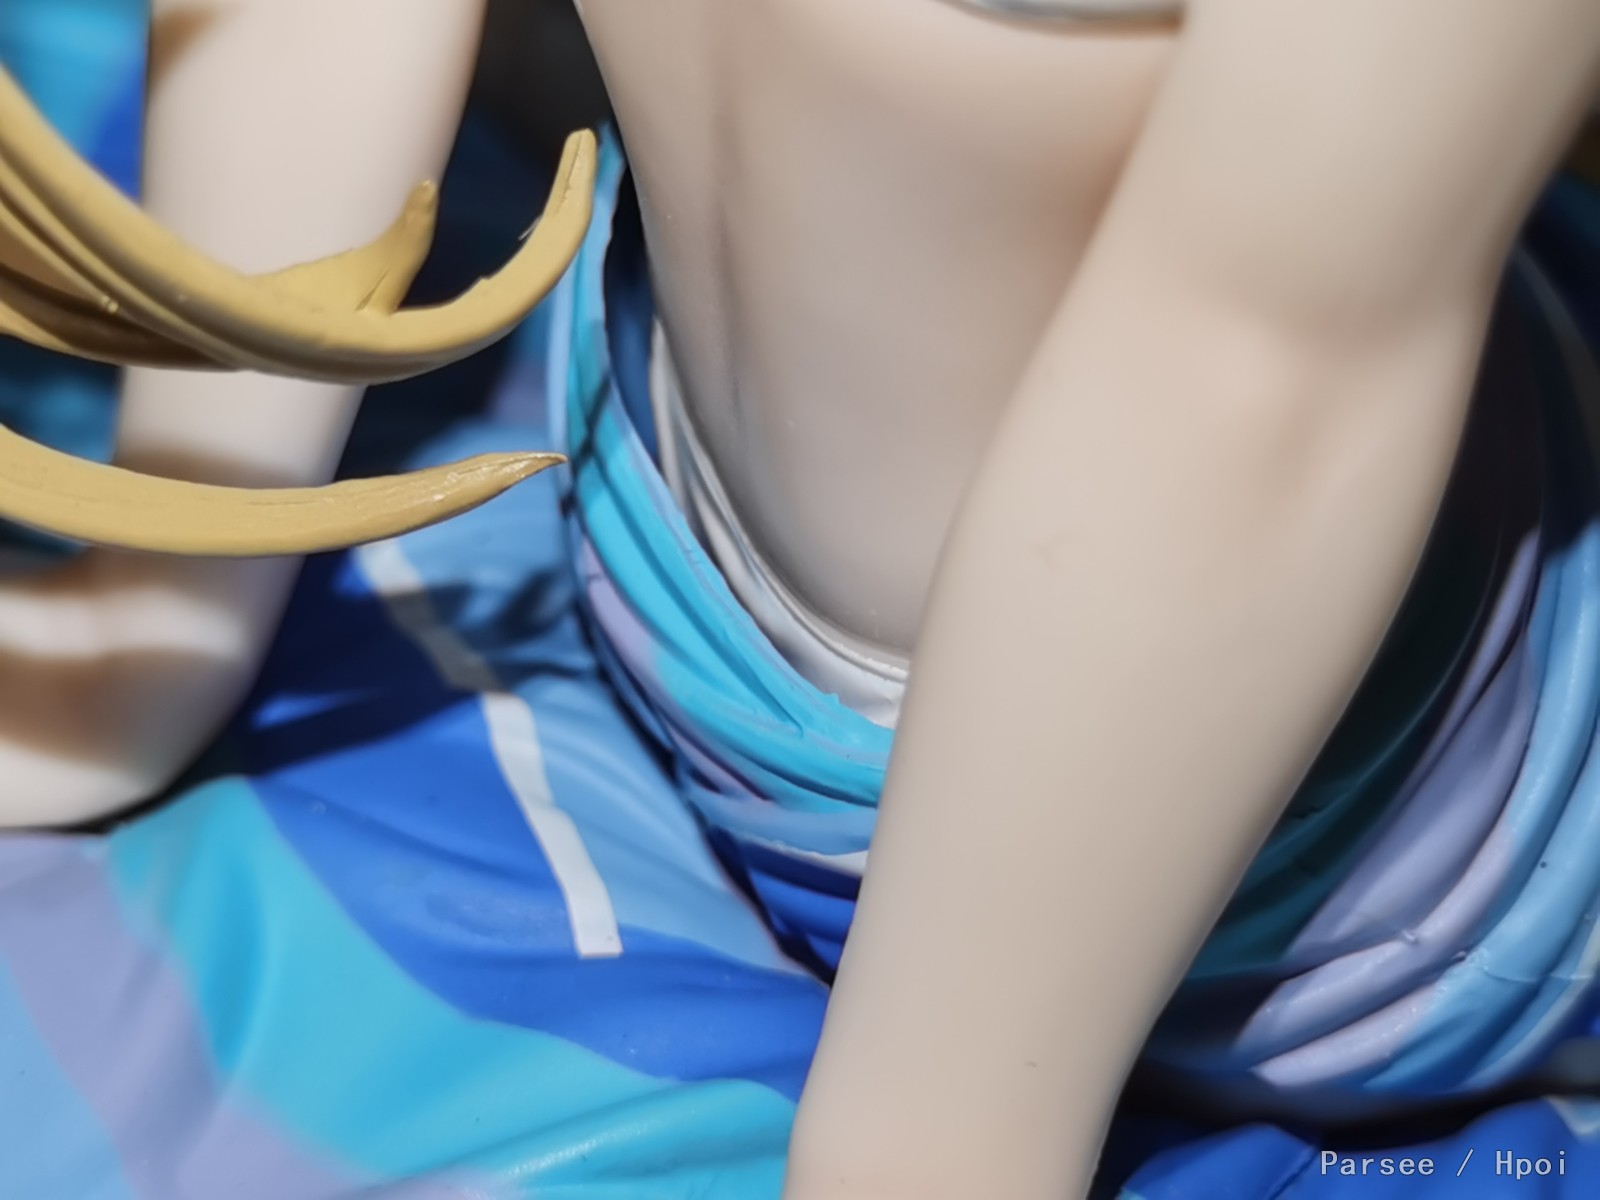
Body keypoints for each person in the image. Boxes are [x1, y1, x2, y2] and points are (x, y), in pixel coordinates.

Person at [0, 1, 1598, 1197]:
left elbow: (1268, 378)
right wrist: (156, 616)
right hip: (634, 469)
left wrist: (938, 1140)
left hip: (1325, 820)